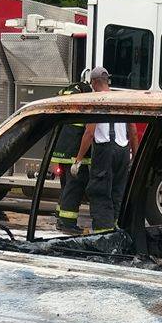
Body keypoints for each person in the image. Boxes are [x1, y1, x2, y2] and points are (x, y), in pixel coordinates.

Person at [72, 67, 138, 233]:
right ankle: (117, 230)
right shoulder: (122, 100)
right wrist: (135, 156)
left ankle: (103, 234)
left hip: (104, 152)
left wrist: (78, 160)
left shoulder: (97, 100)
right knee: (118, 192)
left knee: (100, 192)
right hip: (123, 152)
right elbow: (133, 130)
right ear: (107, 81)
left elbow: (89, 133)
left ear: (94, 82)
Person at [52, 81, 92, 234]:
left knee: (66, 186)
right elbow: (87, 133)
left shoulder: (65, 96)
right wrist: (79, 159)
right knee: (75, 186)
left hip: (60, 151)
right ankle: (67, 223)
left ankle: (60, 217)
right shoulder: (83, 102)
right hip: (74, 154)